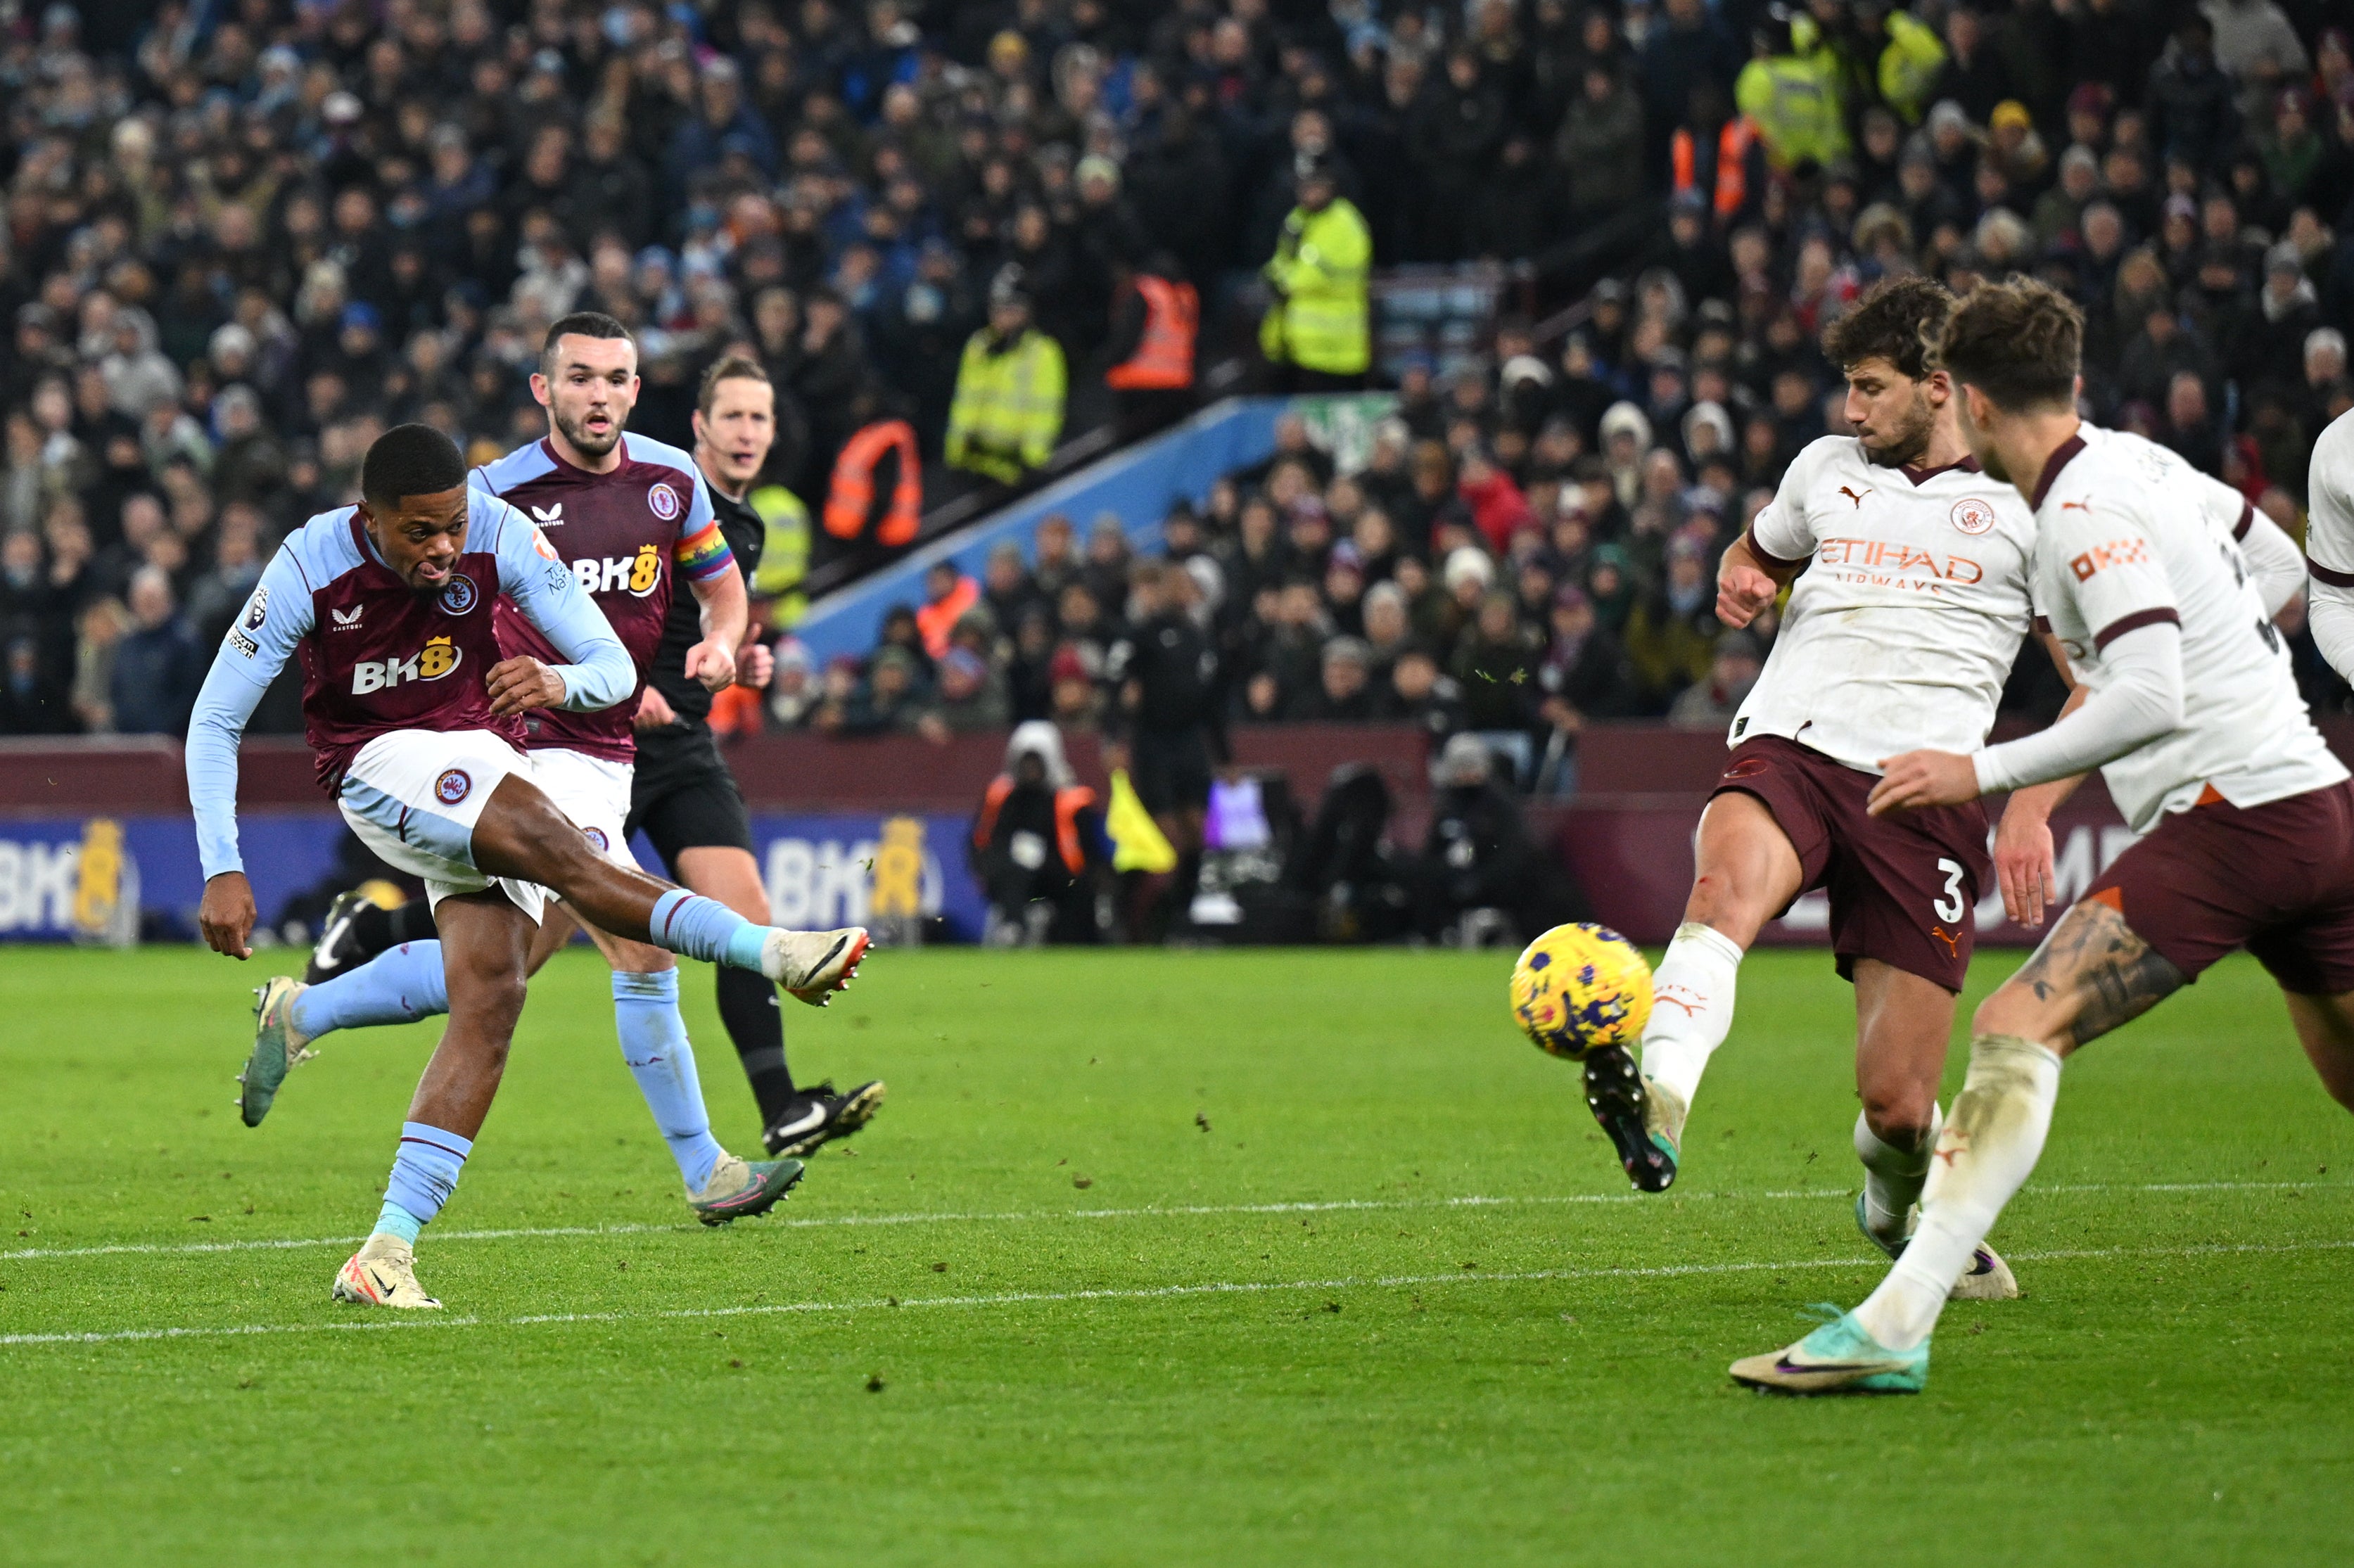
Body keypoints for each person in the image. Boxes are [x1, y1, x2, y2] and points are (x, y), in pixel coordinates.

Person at [1736, 279, 2354, 1394]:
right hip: (2314, 808)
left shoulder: (2071, 511)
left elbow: (2150, 695)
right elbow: (2271, 569)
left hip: (2235, 820)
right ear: (2067, 381)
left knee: (2017, 1026)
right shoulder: (2140, 463)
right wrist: (2227, 657)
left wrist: (1985, 773)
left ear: (1963, 399)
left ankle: (1895, 1318)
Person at [186, 424, 868, 1311]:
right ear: (372, 519)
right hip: (375, 764)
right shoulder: (309, 561)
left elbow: (610, 664)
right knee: (566, 854)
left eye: (452, 527)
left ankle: (386, 1251)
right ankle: (769, 953)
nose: (443, 549)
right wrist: (222, 865)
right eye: (420, 533)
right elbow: (214, 721)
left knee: (493, 995)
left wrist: (558, 684)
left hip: (481, 755)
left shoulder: (499, 530)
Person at [1587, 279, 2038, 1322]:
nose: (1849, 411)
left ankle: (1893, 1209)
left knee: (1896, 1104)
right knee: (1723, 894)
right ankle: (1657, 1104)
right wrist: (1738, 576)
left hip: (1922, 792)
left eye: (1869, 390)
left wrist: (2027, 804)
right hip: (1789, 742)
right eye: (1845, 388)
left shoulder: (2025, 506)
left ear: (1937, 388)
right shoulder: (1823, 471)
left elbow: (2094, 672)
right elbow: (1755, 553)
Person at [970, 721, 1112, 945]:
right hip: (1013, 876)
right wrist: (992, 865)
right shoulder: (1001, 797)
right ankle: (1014, 927)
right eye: (1026, 762)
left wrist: (1046, 860)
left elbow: (1089, 851)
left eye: (1036, 762)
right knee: (1010, 871)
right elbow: (981, 841)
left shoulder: (1072, 799)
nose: (1031, 769)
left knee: (1080, 893)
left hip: (1060, 876)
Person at [1258, 153, 1373, 393]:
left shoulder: (1345, 222)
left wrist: (1286, 282)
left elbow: (1329, 273)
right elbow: (1282, 260)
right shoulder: (1296, 220)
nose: (1307, 192)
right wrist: (1272, 276)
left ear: (1330, 186)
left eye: (1314, 186)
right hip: (1293, 345)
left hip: (1337, 351)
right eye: (1303, 186)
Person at [944, 267, 1067, 486]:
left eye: (1011, 310)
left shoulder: (1043, 353)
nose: (1002, 317)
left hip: (1016, 471)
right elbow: (964, 402)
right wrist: (955, 455)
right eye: (997, 310)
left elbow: (1046, 412)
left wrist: (1032, 460)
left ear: (1026, 311)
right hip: (975, 466)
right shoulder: (979, 346)